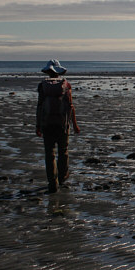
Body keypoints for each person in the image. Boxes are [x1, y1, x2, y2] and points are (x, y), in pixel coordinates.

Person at [35, 59, 81, 192]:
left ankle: (52, 183)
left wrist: (38, 125)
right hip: (62, 124)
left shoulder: (42, 86)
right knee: (63, 151)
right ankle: (62, 177)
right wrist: (75, 125)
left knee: (49, 154)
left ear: (48, 72)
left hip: (47, 124)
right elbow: (71, 106)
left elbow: (39, 107)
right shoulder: (66, 85)